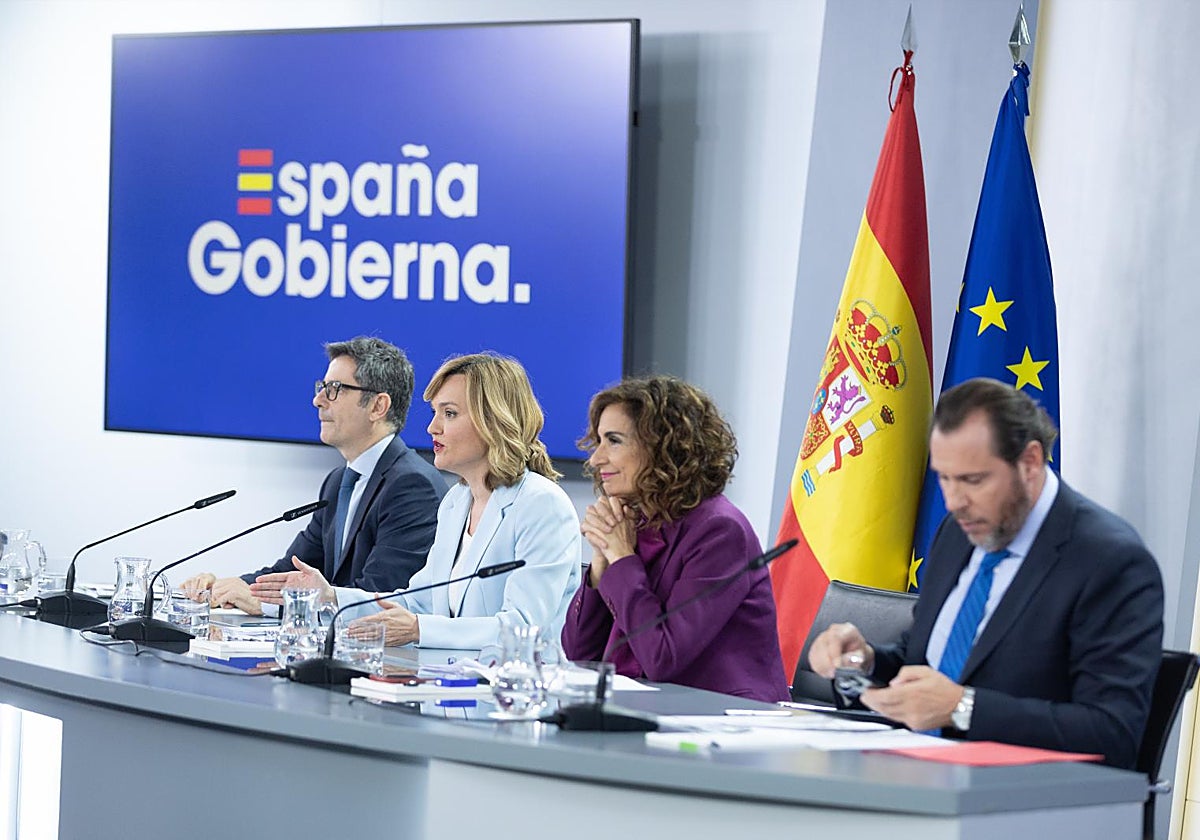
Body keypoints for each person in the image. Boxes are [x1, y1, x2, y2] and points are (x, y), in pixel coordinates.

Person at [808, 378, 1164, 768]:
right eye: (944, 478)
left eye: (973, 481)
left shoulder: (1108, 560)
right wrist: (868, 660)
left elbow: (1112, 733)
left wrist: (963, 708)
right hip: (908, 774)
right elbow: (929, 661)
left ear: (1029, 462)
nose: (954, 501)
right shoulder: (959, 531)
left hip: (1019, 805)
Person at [250, 352, 581, 650]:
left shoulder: (542, 505)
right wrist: (331, 597)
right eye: (435, 412)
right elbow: (415, 604)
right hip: (447, 693)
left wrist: (420, 630)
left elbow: (524, 627)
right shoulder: (456, 502)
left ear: (493, 421)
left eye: (449, 414)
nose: (432, 427)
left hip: (516, 698)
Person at [561, 376, 789, 702]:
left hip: (723, 719)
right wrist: (601, 562)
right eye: (598, 441)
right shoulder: (634, 523)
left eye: (613, 440)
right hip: (650, 710)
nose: (596, 459)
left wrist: (623, 559)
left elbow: (662, 657)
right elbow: (579, 653)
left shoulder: (720, 532)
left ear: (662, 446)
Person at [181, 337, 448, 615]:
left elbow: (377, 598)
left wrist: (261, 603)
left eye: (334, 389)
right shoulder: (338, 482)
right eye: (322, 387)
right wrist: (229, 588)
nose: (318, 400)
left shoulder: (413, 487)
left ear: (377, 407)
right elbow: (292, 571)